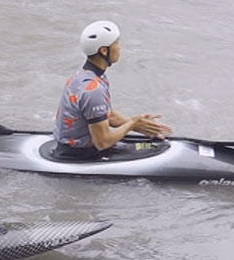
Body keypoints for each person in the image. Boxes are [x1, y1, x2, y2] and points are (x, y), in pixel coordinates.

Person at [53, 20, 172, 159]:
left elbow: (107, 115)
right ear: (104, 50)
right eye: (116, 43)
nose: (120, 48)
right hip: (80, 153)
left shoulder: (85, 75)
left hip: (72, 146)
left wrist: (141, 127)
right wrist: (132, 124)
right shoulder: (93, 90)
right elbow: (102, 142)